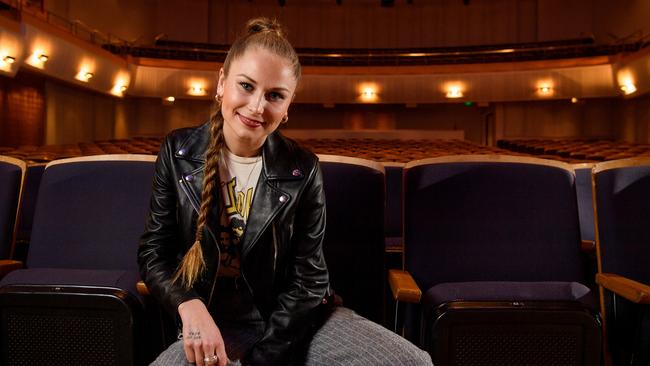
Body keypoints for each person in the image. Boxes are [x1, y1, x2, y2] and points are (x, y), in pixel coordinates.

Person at [138, 17, 432, 366]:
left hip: (297, 321)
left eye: (274, 95)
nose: (257, 106)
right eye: (246, 86)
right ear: (221, 82)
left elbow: (310, 277)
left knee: (411, 362)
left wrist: (265, 358)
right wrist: (190, 306)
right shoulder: (177, 151)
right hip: (213, 321)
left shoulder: (302, 167)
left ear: (288, 106)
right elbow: (154, 253)